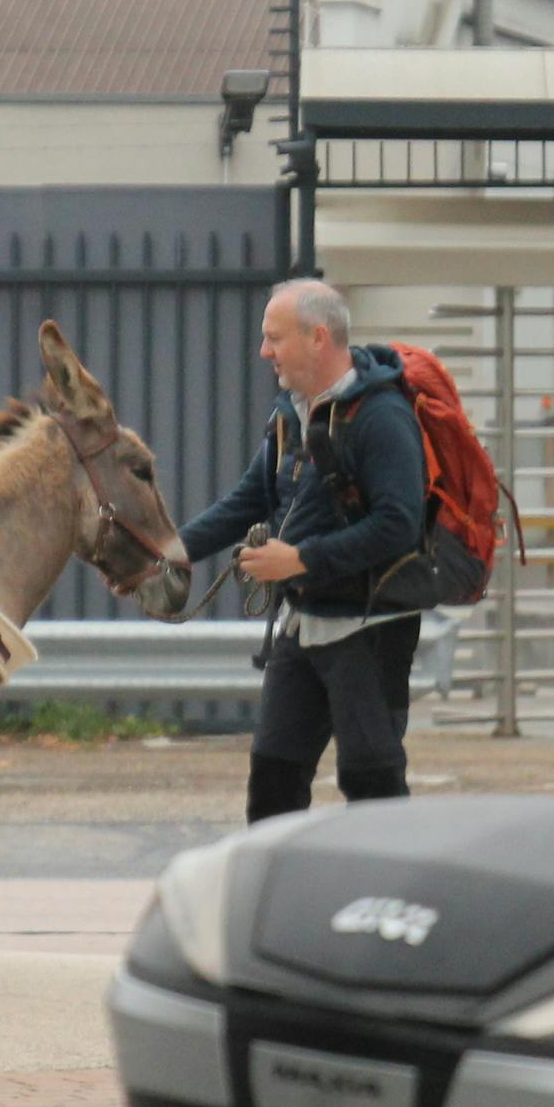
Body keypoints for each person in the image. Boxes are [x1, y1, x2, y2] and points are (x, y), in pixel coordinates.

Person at [179, 278, 431, 822]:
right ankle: (281, 901)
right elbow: (249, 499)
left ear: (318, 338)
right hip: (302, 623)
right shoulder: (291, 415)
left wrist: (302, 559)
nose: (264, 351)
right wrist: (172, 551)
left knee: (372, 785)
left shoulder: (381, 417)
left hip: (368, 629)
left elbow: (400, 525)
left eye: (275, 338)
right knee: (272, 780)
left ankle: (385, 901)